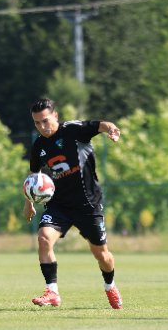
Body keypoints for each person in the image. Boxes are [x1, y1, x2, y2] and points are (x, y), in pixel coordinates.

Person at [23, 98, 123, 309]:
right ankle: (52, 292)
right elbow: (34, 174)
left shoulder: (73, 130)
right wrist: (29, 201)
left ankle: (110, 285)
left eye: (45, 120)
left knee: (102, 256)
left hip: (88, 204)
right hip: (59, 205)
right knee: (43, 238)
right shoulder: (39, 145)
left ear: (55, 116)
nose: (42, 126)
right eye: (37, 123)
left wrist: (112, 130)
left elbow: (101, 125)